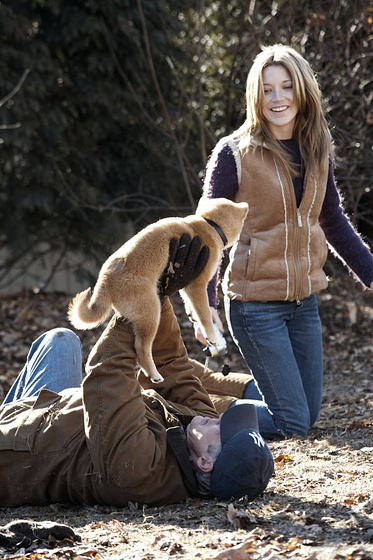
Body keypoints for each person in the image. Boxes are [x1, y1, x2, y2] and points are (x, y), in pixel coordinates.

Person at [0, 236, 274, 507]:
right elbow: (170, 364)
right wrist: (157, 288)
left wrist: (137, 299)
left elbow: (106, 376)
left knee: (63, 341)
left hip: (17, 451)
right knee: (61, 340)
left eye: (223, 427)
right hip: (48, 408)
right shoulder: (199, 426)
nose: (218, 417)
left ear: (206, 463)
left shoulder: (140, 473)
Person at [197, 44, 373, 441]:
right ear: (255, 96)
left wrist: (371, 275)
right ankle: (195, 413)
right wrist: (204, 305)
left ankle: (230, 389)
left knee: (306, 415)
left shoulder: (316, 149)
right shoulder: (234, 154)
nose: (277, 98)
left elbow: (333, 221)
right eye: (267, 89)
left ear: (302, 91)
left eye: (286, 87)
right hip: (254, 305)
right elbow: (208, 233)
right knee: (292, 423)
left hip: (303, 302)